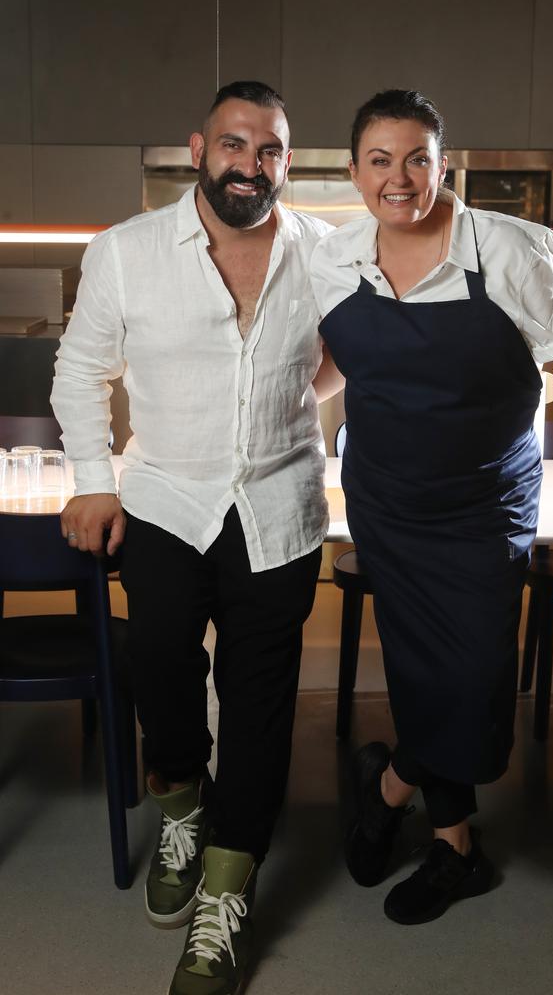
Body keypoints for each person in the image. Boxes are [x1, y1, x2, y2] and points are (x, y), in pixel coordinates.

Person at [310, 88, 553, 927]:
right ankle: (455, 845)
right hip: (386, 500)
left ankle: (389, 785)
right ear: (354, 173)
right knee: (425, 668)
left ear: (443, 165)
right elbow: (335, 370)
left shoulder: (512, 250)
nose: (400, 177)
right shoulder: (333, 258)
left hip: (482, 506)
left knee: (474, 674)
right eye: (381, 160)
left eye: (418, 157)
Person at [51, 80, 336, 995]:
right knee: (161, 668)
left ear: (287, 162)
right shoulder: (128, 251)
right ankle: (180, 803)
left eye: (270, 151)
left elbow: (342, 358)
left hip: (281, 510)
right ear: (198, 148)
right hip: (167, 503)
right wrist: (95, 482)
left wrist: (289, 405)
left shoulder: (326, 253)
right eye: (234, 145)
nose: (250, 165)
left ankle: (224, 895)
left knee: (260, 705)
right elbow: (82, 370)